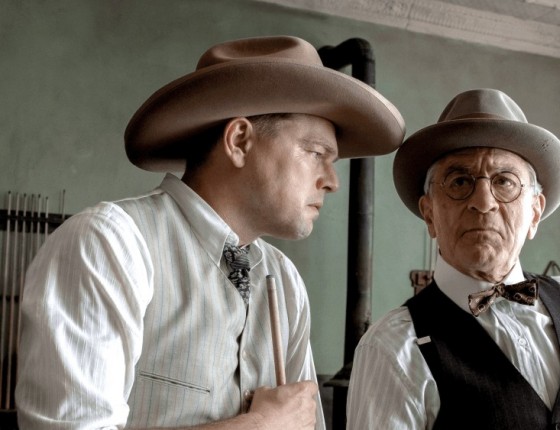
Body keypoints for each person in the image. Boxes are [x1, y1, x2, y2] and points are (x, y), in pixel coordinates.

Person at [15, 36, 405, 430]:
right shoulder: (108, 245)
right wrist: (261, 425)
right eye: (316, 153)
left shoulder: (285, 281)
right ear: (239, 141)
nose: (332, 182)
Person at [346, 89, 560, 429]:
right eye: (460, 181)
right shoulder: (392, 347)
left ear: (535, 213)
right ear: (429, 213)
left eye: (504, 182)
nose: (483, 202)